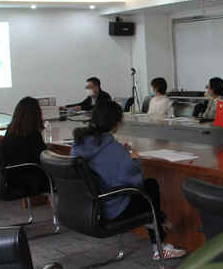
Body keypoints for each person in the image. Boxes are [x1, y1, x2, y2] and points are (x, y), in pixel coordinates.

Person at [71, 101, 186, 260]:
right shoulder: (114, 149)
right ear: (116, 123)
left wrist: (122, 155)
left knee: (147, 191)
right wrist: (134, 159)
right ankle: (158, 244)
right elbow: (134, 181)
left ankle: (160, 220)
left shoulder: (79, 144)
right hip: (111, 210)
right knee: (150, 187)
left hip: (86, 207)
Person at [2, 97, 49, 195]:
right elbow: (42, 156)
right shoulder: (32, 133)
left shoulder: (10, 130)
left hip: (11, 177)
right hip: (32, 177)